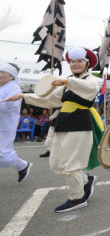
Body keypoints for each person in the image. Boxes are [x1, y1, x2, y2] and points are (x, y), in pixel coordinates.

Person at [8, 47, 103, 212]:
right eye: (72, 61)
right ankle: (85, 181)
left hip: (80, 123)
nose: (75, 64)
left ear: (87, 64)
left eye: (79, 61)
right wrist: (24, 96)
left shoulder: (91, 80)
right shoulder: (66, 82)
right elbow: (49, 100)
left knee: (71, 163)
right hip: (63, 122)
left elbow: (89, 90)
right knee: (57, 163)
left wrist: (66, 81)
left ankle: (77, 198)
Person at [0, 64, 32, 182]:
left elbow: (11, 106)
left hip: (6, 125)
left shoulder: (14, 88)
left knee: (3, 154)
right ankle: (22, 166)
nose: (0, 75)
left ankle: (23, 165)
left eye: (4, 73)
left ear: (12, 76)